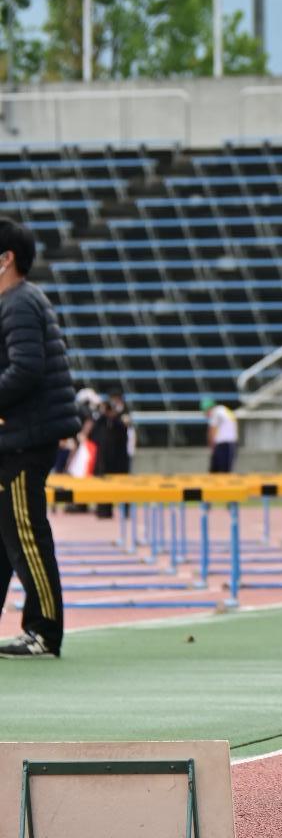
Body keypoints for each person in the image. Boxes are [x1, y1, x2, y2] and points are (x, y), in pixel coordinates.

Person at [0, 216, 79, 658]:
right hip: (17, 437)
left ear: (6, 258)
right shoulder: (14, 302)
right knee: (5, 534)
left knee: (26, 532)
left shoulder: (18, 302)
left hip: (24, 440)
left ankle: (45, 630)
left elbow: (25, 371)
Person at [88, 386, 134, 519]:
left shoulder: (124, 413)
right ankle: (104, 510)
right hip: (104, 455)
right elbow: (93, 433)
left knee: (123, 483)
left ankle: (125, 510)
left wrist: (116, 416)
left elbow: (125, 428)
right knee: (103, 483)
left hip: (121, 455)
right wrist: (104, 414)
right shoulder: (102, 416)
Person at [201, 396, 239, 473]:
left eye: (205, 412)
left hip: (225, 444)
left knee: (221, 471)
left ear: (209, 409)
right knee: (219, 470)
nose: (205, 415)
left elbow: (211, 430)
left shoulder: (215, 412)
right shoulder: (223, 410)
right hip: (229, 443)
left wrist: (211, 445)